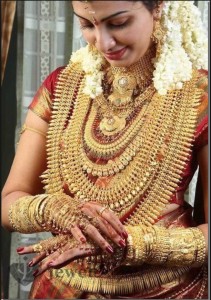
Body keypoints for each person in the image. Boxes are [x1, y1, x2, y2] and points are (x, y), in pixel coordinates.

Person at [1, 1, 208, 299]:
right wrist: (56, 210)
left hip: (167, 290)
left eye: (119, 23)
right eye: (87, 25)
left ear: (158, 7)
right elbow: (9, 202)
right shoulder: (61, 87)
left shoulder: (198, 96)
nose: (103, 42)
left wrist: (125, 243)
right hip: (62, 287)